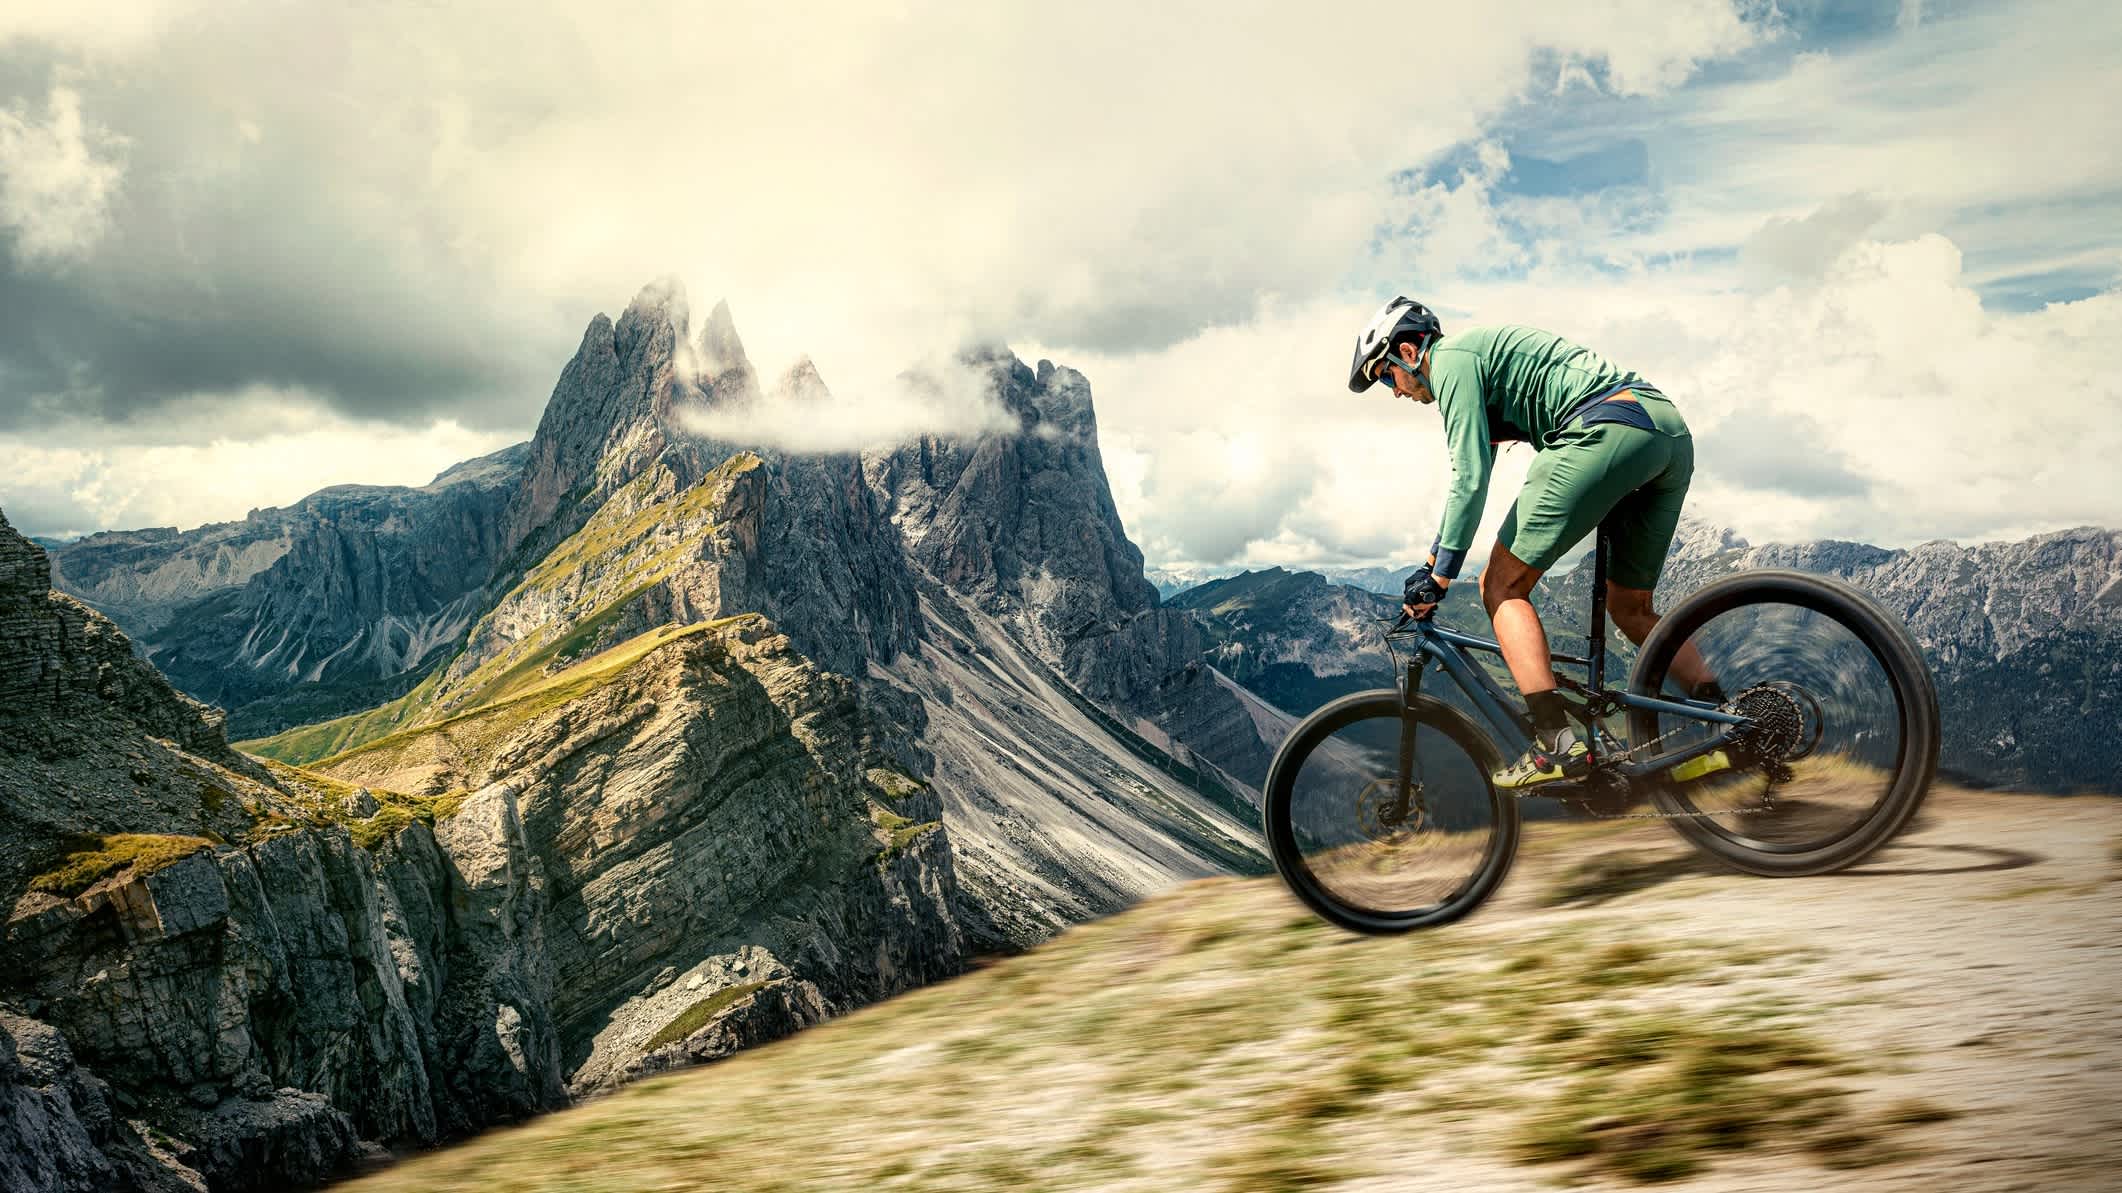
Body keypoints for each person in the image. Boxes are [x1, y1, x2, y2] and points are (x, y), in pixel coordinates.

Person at [1346, 297, 1725, 789]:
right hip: (1664, 432)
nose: (1392, 392)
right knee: (1630, 608)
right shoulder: (1477, 364)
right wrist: (1433, 557)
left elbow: (1469, 478)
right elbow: (1472, 476)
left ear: (1409, 351)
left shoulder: (1452, 361)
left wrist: (1439, 577)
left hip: (1602, 428)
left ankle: (1556, 745)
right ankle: (1726, 723)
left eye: (1383, 376)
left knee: (1500, 586)